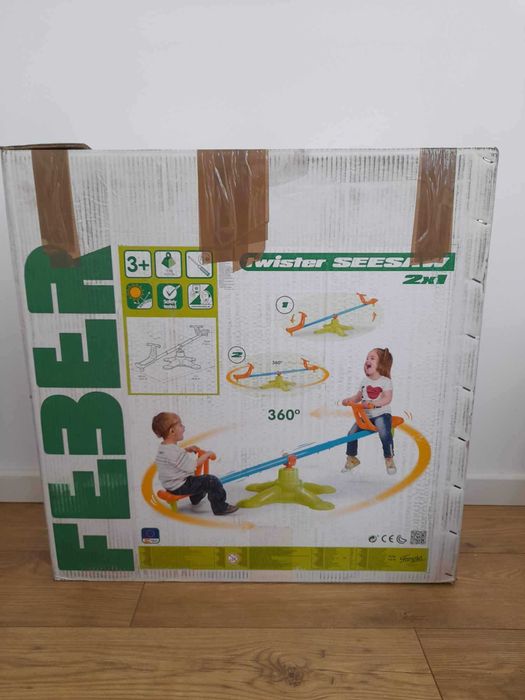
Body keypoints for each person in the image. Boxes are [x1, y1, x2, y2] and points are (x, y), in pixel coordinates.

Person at [151, 412, 239, 515]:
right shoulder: (176, 453)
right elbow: (191, 466)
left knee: (198, 480)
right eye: (180, 425)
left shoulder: (163, 448)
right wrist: (206, 455)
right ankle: (220, 507)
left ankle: (195, 498)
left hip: (170, 486)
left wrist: (186, 450)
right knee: (211, 480)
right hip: (180, 486)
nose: (184, 428)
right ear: (172, 431)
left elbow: (173, 457)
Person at [341, 347, 397, 475]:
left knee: (384, 432)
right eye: (367, 358)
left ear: (381, 363)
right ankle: (352, 458)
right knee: (351, 433)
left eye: (372, 358)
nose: (368, 360)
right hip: (366, 416)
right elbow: (358, 397)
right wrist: (349, 400)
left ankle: (389, 458)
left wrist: (374, 404)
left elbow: (387, 398)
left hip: (381, 414)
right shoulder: (364, 381)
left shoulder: (385, 381)